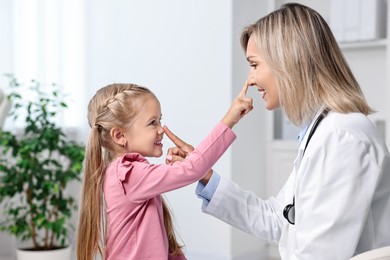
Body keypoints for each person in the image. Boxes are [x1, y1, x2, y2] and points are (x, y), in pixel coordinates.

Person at [164, 3, 390, 259]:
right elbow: (278, 218)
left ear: (288, 62)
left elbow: (317, 255)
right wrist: (204, 175)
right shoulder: (322, 131)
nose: (250, 79)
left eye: (254, 65)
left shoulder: (342, 136)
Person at [76, 83, 253, 260]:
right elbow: (192, 170)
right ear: (119, 136)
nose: (161, 129)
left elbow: (156, 244)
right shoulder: (128, 174)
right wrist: (230, 119)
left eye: (160, 120)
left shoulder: (123, 172)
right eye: (152, 123)